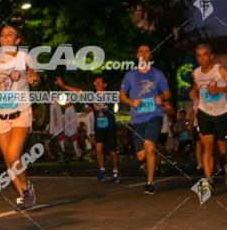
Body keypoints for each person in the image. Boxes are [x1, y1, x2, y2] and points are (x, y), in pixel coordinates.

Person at [0, 25, 39, 210]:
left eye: (9, 35)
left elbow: (35, 78)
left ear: (17, 40)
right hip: (1, 115)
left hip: (21, 112)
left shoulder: (24, 57)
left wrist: (33, 80)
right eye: (2, 35)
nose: (5, 37)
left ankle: (27, 187)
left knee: (13, 155)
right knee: (8, 160)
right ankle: (25, 194)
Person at [119, 44, 170, 194]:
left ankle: (150, 183)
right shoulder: (130, 75)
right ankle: (157, 157)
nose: (144, 53)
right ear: (137, 55)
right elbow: (121, 94)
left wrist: (161, 97)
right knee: (141, 155)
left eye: (147, 51)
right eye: (141, 51)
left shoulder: (158, 74)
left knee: (149, 147)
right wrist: (131, 102)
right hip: (137, 119)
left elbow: (167, 93)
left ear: (150, 56)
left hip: (154, 116)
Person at [192, 43, 227, 193]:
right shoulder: (196, 73)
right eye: (199, 55)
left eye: (205, 54)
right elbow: (195, 88)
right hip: (204, 113)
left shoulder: (220, 69)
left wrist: (218, 88)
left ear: (211, 56)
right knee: (207, 147)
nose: (202, 58)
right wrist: (195, 95)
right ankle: (208, 182)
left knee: (223, 150)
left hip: (221, 114)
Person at [56, 75, 120, 183]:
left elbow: (122, 94)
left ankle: (115, 171)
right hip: (99, 129)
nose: (97, 84)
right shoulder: (92, 96)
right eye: (96, 83)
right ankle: (102, 170)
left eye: (100, 82)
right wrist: (63, 86)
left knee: (113, 153)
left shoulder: (110, 96)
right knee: (98, 150)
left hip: (110, 129)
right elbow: (78, 91)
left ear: (104, 85)